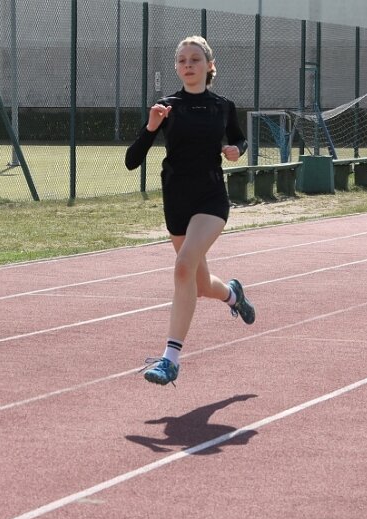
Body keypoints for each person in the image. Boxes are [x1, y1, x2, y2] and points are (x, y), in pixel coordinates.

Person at [125, 35, 256, 387]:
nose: (188, 65)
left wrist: (236, 150)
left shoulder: (222, 106)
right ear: (176, 67)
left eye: (195, 59)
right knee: (197, 284)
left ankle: (170, 359)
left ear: (209, 66)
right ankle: (233, 294)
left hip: (211, 198)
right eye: (182, 60)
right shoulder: (166, 107)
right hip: (176, 200)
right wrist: (152, 126)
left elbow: (239, 139)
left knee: (183, 267)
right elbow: (131, 161)